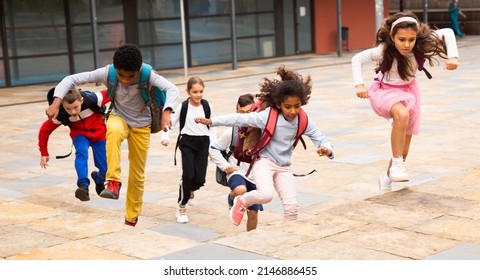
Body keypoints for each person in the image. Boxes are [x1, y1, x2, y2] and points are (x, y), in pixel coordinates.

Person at [45, 44, 179, 226]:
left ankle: (131, 215)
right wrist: (56, 103)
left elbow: (173, 89)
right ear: (116, 69)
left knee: (137, 174)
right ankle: (113, 182)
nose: (124, 80)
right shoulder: (108, 73)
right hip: (119, 116)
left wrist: (167, 111)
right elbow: (70, 79)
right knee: (113, 130)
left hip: (142, 124)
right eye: (121, 75)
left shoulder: (147, 74)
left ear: (138, 70)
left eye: (130, 77)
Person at [195, 66, 334, 226]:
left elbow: (319, 137)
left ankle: (286, 238)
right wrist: (213, 121)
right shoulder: (268, 116)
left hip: (284, 166)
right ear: (279, 103)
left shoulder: (303, 119)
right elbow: (239, 120)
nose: (293, 111)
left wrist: (327, 149)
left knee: (292, 208)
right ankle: (241, 200)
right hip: (264, 162)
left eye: (297, 106)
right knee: (265, 195)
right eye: (288, 107)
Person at [351, 11, 459, 193]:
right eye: (402, 39)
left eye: (411, 39)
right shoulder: (383, 50)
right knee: (401, 114)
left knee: (403, 150)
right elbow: (357, 59)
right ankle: (397, 166)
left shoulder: (421, 43)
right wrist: (359, 85)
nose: (407, 44)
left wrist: (452, 56)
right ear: (393, 37)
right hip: (385, 91)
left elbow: (447, 32)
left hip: (409, 91)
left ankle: (386, 179)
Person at [39, 87, 109, 202]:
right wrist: (44, 152)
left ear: (81, 100)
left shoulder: (94, 99)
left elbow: (114, 90)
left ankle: (99, 179)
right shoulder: (61, 114)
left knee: (105, 168)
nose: (73, 112)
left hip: (100, 135)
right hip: (80, 135)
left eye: (76, 107)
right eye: (68, 108)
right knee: (81, 153)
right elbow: (44, 130)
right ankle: (83, 186)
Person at [161, 77, 215, 224]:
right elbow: (170, 123)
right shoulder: (183, 107)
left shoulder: (207, 106)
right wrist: (165, 136)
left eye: (201, 92)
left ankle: (190, 189)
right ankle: (181, 206)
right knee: (188, 175)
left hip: (203, 143)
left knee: (200, 179)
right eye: (195, 92)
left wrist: (212, 147)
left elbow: (212, 127)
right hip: (187, 143)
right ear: (188, 91)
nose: (198, 95)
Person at [209, 93, 263, 231]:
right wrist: (225, 165)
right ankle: (232, 197)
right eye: (241, 112)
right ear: (236, 111)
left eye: (249, 112)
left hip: (254, 175)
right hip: (236, 171)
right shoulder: (232, 132)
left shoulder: (262, 132)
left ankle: (251, 238)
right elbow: (214, 148)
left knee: (253, 213)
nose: (245, 117)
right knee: (240, 190)